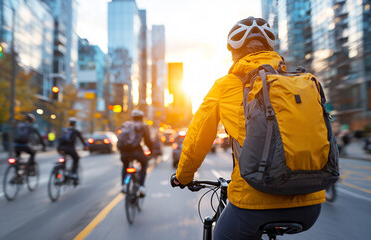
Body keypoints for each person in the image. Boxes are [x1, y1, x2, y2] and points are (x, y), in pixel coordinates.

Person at [170, 17, 323, 240]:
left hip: (253, 204)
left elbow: (197, 139)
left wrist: (183, 177)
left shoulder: (225, 86)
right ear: (270, 48)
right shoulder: (303, 81)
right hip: (311, 205)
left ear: (233, 52)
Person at [119, 109, 153, 196]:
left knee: (125, 165)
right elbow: (148, 141)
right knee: (144, 164)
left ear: (132, 117)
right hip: (136, 152)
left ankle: (123, 185)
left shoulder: (126, 125)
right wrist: (151, 151)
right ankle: (141, 186)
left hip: (124, 153)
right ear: (142, 118)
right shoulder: (143, 127)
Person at [56, 117, 87, 185]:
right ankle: (73, 174)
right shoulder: (76, 131)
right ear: (75, 124)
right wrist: (85, 147)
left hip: (60, 148)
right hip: (70, 148)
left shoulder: (65, 130)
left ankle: (62, 169)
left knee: (63, 158)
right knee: (76, 159)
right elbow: (82, 140)